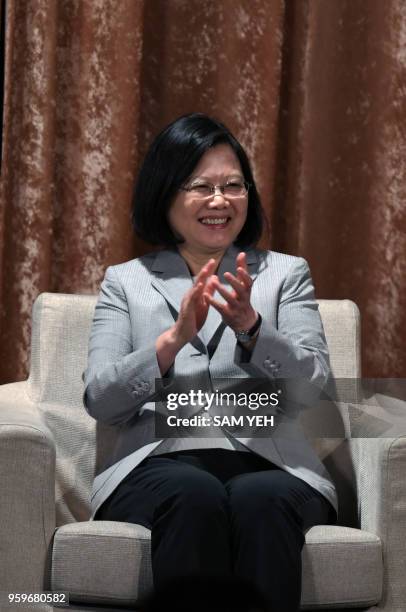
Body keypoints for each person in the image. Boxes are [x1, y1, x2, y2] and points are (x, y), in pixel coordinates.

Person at [83, 112, 338, 612]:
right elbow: (101, 400)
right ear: (166, 194)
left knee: (257, 500)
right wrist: (173, 340)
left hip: (273, 465)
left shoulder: (285, 274)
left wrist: (253, 328)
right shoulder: (126, 282)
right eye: (201, 186)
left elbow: (317, 390)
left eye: (233, 186)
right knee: (192, 491)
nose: (220, 200)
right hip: (158, 465)